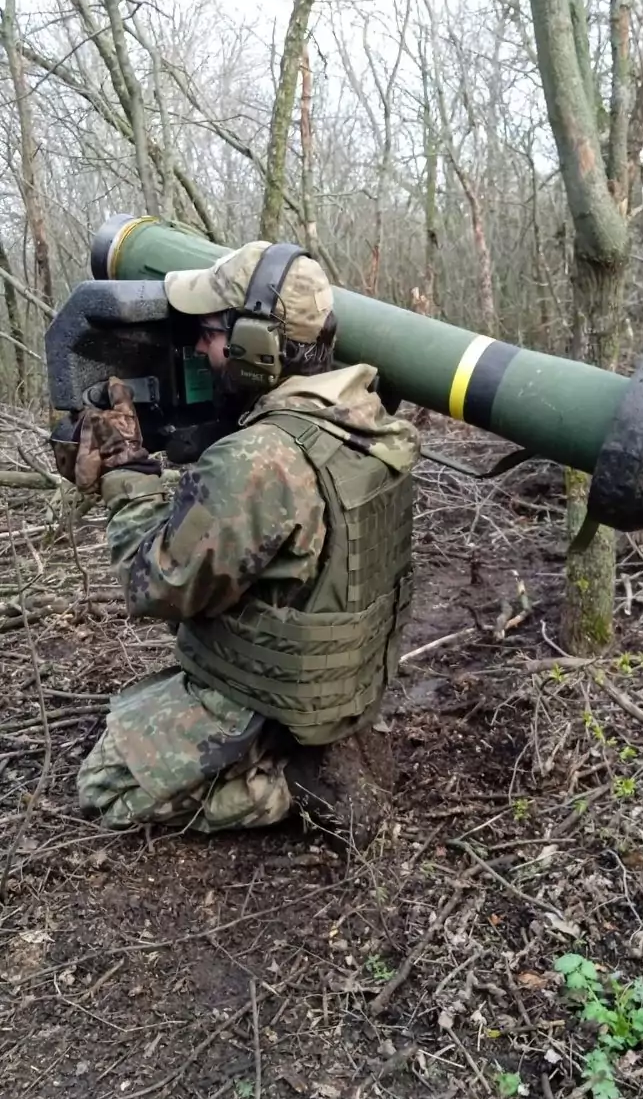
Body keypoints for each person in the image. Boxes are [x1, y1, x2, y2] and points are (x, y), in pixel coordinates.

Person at [60, 240, 421, 844]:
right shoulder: (370, 419)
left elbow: (156, 586)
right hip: (342, 685)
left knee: (105, 785)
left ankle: (289, 787)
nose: (200, 348)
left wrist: (128, 473)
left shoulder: (262, 459)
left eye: (209, 333)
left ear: (257, 346)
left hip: (271, 696)